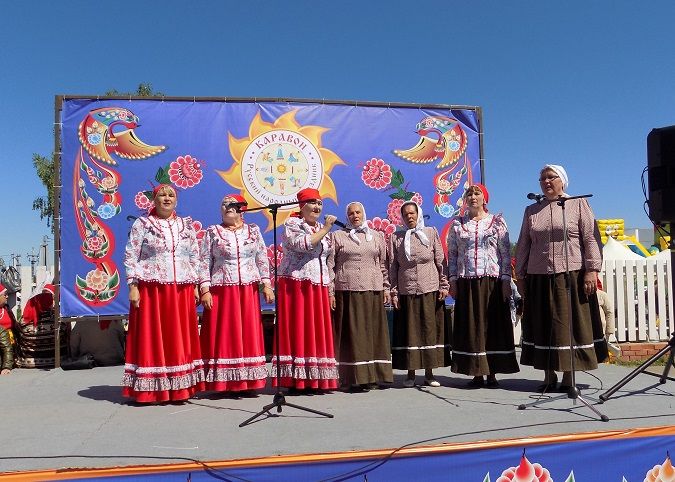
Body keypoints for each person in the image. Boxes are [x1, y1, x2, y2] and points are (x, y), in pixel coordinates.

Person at [515, 164, 607, 392]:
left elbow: (591, 238)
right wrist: (521, 274)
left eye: (551, 177)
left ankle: (569, 374)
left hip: (571, 274)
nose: (546, 181)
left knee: (568, 325)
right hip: (538, 275)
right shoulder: (531, 210)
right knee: (543, 323)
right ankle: (548, 375)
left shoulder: (577, 204)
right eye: (542, 178)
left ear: (562, 181)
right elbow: (524, 243)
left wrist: (591, 269)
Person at [122, 184, 205, 403]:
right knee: (153, 336)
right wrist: (133, 285)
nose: (167, 199)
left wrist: (195, 284)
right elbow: (131, 254)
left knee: (179, 337)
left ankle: (179, 388)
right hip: (152, 288)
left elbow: (193, 255)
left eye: (171, 195)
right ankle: (152, 390)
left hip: (182, 288)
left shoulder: (185, 225)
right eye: (162, 195)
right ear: (154, 199)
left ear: (176, 200)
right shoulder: (143, 224)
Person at [198, 194, 274, 393]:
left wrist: (266, 284)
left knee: (247, 332)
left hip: (247, 289)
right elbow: (204, 261)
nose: (228, 207)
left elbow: (261, 258)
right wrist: (205, 289)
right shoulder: (213, 232)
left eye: (232, 204)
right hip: (221, 289)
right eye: (224, 204)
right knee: (224, 333)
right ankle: (223, 383)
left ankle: (247, 381)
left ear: (242, 208)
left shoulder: (253, 231)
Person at [447, 184, 519, 388]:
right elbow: (452, 254)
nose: (472, 197)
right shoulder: (458, 224)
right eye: (469, 194)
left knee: (492, 325)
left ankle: (492, 372)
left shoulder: (496, 222)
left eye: (476, 193)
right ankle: (476, 372)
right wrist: (453, 280)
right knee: (471, 326)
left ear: (484, 198)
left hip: (492, 281)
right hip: (466, 280)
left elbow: (505, 253)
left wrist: (506, 280)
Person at [272, 188, 339, 391]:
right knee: (299, 328)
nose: (317, 207)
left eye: (319, 203)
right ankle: (296, 380)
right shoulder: (292, 223)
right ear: (301, 206)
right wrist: (326, 228)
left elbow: (328, 260)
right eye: (312, 202)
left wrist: (329, 289)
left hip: (317, 285)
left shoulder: (321, 227)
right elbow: (303, 244)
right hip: (297, 284)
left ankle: (316, 378)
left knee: (316, 330)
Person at [328, 201, 393, 391]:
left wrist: (386, 288)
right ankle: (350, 377)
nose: (355, 216)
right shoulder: (338, 236)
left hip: (372, 289)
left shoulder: (377, 236)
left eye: (358, 212)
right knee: (351, 335)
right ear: (347, 216)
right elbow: (330, 265)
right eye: (351, 213)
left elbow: (383, 265)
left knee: (372, 333)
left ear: (363, 213)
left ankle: (373, 376)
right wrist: (331, 291)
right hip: (346, 290)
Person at [389, 201, 450, 387]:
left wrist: (444, 284)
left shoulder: (430, 233)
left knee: (429, 331)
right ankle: (410, 374)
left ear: (418, 214)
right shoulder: (396, 238)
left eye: (412, 213)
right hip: (407, 290)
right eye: (406, 214)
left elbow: (441, 261)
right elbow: (393, 266)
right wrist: (393, 291)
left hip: (429, 288)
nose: (409, 217)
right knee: (410, 332)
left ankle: (430, 374)